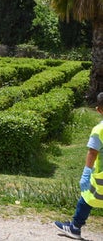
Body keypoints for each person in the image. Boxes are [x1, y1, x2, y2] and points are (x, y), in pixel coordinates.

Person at [55, 92, 103, 239]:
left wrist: (86, 172)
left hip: (101, 176)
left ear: (98, 110)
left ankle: (75, 227)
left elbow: (92, 153)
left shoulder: (99, 129)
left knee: (86, 198)